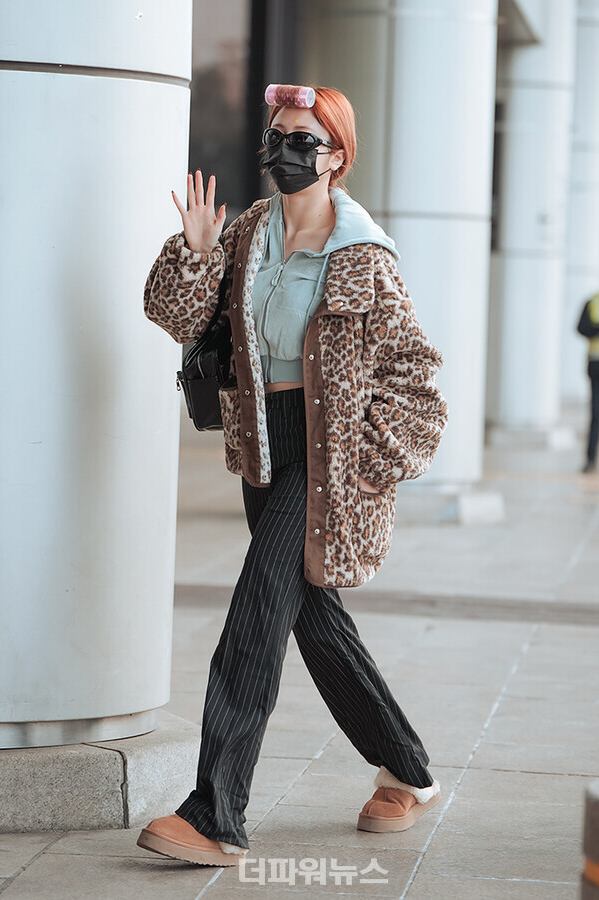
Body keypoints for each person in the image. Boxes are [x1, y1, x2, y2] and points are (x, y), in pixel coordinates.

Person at [136, 84, 449, 867]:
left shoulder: (366, 259)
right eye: (277, 137)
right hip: (263, 445)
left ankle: (215, 812)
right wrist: (197, 251)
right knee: (317, 622)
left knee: (257, 615)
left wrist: (362, 465)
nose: (285, 152)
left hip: (323, 454)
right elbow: (174, 317)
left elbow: (419, 383)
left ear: (336, 157)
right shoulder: (247, 233)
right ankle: (407, 771)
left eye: (302, 141)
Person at [577, 292, 599, 473]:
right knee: (596, 413)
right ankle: (590, 459)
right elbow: (581, 327)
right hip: (596, 364)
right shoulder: (592, 302)